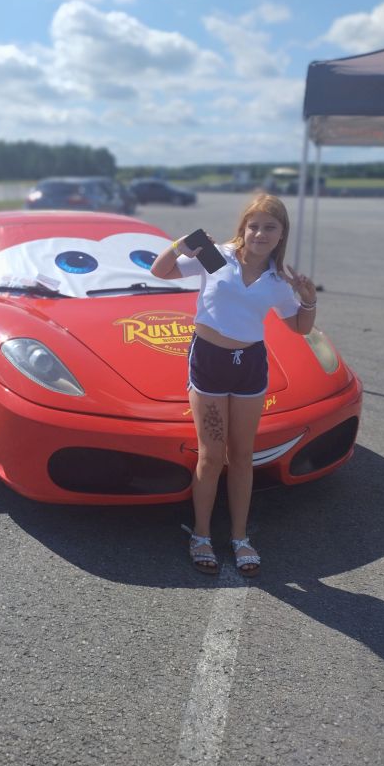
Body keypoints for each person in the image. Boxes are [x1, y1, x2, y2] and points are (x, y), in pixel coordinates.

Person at [151, 193, 317, 576]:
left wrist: (308, 301)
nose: (260, 233)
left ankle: (240, 537)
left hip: (250, 368)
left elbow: (299, 327)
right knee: (211, 455)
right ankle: (201, 534)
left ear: (281, 234)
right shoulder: (217, 257)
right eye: (253, 225)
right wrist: (181, 245)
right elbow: (161, 271)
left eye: (269, 227)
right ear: (243, 227)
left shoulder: (279, 280)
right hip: (209, 362)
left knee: (242, 455)